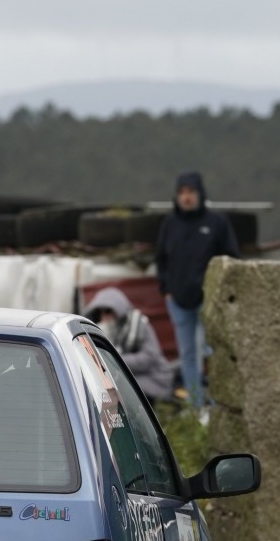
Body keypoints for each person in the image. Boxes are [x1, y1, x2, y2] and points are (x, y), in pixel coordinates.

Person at [154, 171, 240, 417]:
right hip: (178, 301)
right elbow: (161, 259)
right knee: (188, 354)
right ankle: (195, 404)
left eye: (190, 192)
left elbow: (231, 258)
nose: (186, 197)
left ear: (200, 193)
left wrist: (222, 293)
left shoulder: (216, 223)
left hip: (208, 301)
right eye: (182, 193)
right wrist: (166, 290)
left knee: (213, 351)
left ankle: (217, 403)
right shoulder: (170, 224)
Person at [85, 287, 174, 403]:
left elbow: (149, 357)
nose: (104, 316)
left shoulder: (139, 325)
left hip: (152, 378)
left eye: (107, 311)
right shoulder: (102, 332)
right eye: (99, 313)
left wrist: (115, 361)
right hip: (127, 379)